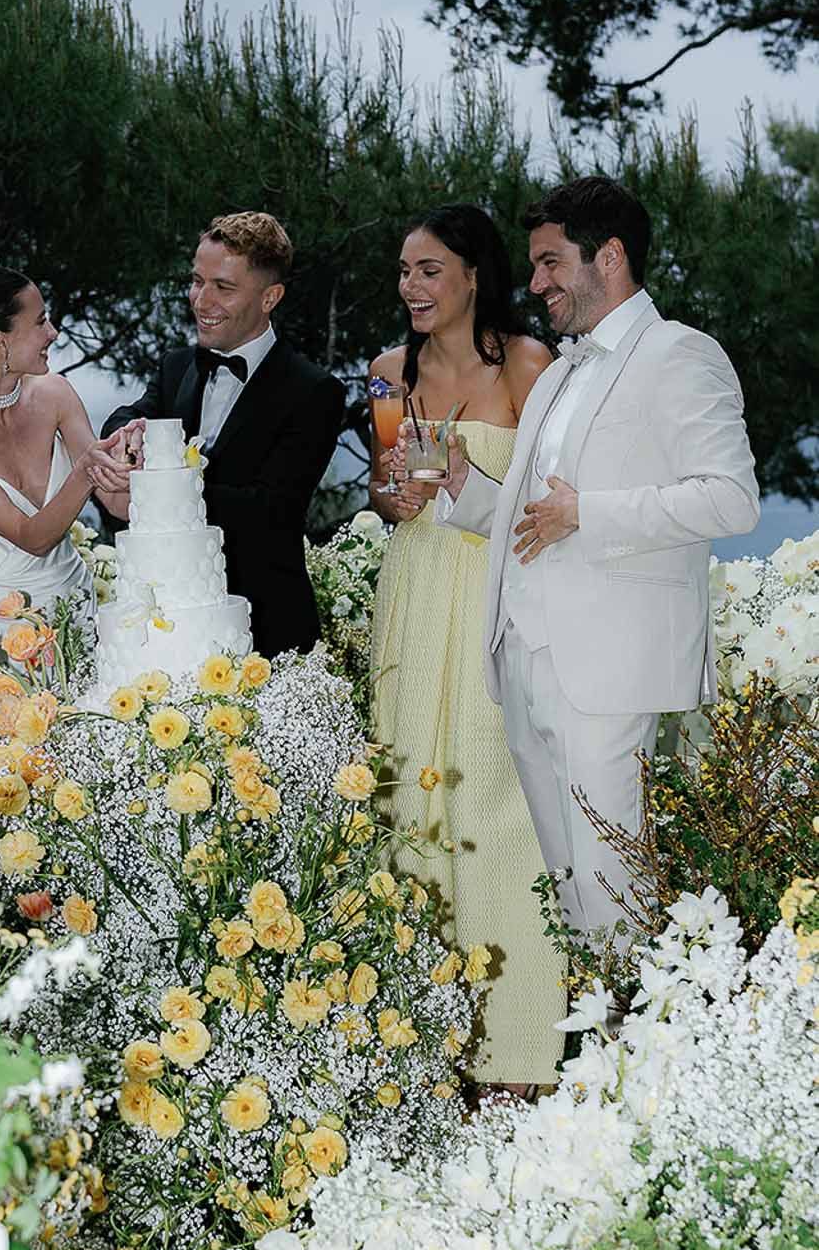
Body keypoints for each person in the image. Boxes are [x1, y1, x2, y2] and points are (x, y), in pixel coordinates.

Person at [438, 174, 760, 958]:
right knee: (569, 889)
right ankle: (601, 1057)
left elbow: (732, 500)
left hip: (610, 667)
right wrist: (462, 489)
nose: (537, 282)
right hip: (523, 659)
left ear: (608, 256)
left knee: (618, 887)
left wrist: (592, 512)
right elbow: (534, 516)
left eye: (551, 263)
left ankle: (638, 1065)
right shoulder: (558, 371)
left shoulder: (681, 353)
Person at [367, 205, 562, 1091]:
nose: (411, 286)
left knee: (495, 805)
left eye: (429, 269)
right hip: (413, 593)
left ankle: (519, 1048)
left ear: (475, 275)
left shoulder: (528, 366)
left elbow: (552, 497)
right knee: (409, 799)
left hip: (494, 597)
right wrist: (388, 499)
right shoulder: (385, 373)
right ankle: (424, 1048)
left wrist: (464, 480)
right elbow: (383, 484)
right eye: (405, 271)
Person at [102, 212, 345, 657]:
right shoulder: (176, 367)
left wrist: (154, 491)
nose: (201, 300)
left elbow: (271, 509)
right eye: (197, 281)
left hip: (267, 629)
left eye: (223, 287)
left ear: (270, 297)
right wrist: (125, 437)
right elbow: (127, 416)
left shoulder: (315, 391)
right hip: (169, 630)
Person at [0, 268, 135, 720]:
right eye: (41, 322)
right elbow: (31, 535)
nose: (53, 332)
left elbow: (116, 503)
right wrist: (86, 472)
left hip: (77, 617)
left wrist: (133, 459)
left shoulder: (55, 393)